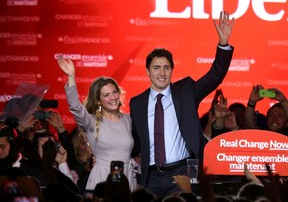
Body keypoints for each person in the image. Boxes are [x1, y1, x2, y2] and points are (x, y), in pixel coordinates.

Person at [129, 11, 235, 197]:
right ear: (147, 71)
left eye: (166, 67)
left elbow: (214, 76)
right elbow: (136, 139)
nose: (162, 73)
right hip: (150, 177)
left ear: (172, 70)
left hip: (185, 172)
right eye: (156, 68)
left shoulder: (186, 91)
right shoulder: (137, 103)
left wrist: (223, 44)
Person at [57, 56, 138, 192]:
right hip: (102, 179)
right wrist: (71, 77)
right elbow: (76, 107)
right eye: (106, 95)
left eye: (114, 92)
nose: (112, 98)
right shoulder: (92, 122)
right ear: (98, 101)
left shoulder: (130, 119)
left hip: (128, 179)